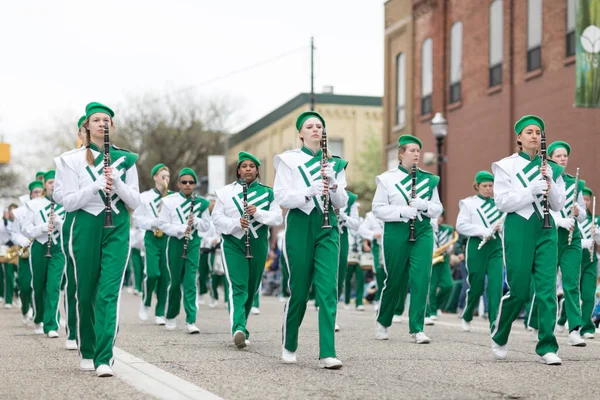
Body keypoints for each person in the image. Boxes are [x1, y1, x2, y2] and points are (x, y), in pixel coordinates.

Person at [56, 102, 140, 377]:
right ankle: (88, 348)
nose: (102, 123)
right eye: (97, 120)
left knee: (108, 292)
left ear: (111, 126)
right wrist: (95, 186)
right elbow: (67, 202)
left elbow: (135, 201)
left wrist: (117, 183)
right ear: (87, 127)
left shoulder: (126, 160)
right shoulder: (70, 160)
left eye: (107, 120)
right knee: (86, 292)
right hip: (85, 227)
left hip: (117, 226)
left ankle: (105, 357)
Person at [274, 111, 348, 369]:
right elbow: (281, 196)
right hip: (300, 225)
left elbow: (342, 203)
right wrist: (308, 192)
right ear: (301, 134)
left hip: (328, 226)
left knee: (328, 289)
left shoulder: (335, 163)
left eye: (319, 126)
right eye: (310, 126)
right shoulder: (288, 160)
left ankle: (327, 352)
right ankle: (289, 343)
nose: (316, 129)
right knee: (300, 290)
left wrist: (333, 183)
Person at [490, 115, 565, 365]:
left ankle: (547, 346)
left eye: (539, 132)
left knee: (546, 290)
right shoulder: (505, 166)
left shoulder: (551, 166)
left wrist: (550, 182)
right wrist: (529, 190)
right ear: (519, 137)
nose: (535, 136)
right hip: (519, 227)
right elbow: (501, 201)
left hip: (546, 229)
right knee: (519, 290)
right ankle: (500, 335)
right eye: (529, 132)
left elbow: (558, 204)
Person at [372, 134, 442, 343]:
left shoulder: (429, 179)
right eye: (412, 150)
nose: (416, 154)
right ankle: (383, 321)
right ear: (401, 154)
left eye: (418, 151)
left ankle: (417, 328)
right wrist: (402, 212)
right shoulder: (387, 178)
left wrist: (425, 206)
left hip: (422, 231)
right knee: (395, 280)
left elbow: (438, 208)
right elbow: (378, 209)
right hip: (396, 231)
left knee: (421, 279)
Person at [212, 151, 283, 348]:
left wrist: (258, 213)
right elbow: (216, 218)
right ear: (238, 170)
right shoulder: (225, 192)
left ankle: (243, 325)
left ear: (257, 170)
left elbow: (278, 218)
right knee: (238, 286)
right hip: (233, 243)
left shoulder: (269, 193)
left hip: (259, 244)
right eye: (244, 166)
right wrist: (237, 223)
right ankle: (238, 328)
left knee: (251, 289)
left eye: (252, 166)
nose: (248, 169)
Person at [527, 141, 587, 346]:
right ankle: (537, 324)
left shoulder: (576, 183)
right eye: (558, 155)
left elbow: (584, 216)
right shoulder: (543, 179)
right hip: (549, 236)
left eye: (565, 156)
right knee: (546, 284)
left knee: (571, 283)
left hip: (572, 238)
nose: (563, 159)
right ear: (550, 158)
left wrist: (578, 214)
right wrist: (560, 220)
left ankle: (574, 329)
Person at [158, 168, 211, 334]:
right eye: (184, 182)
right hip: (175, 243)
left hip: (194, 243)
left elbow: (207, 225)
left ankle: (191, 320)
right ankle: (171, 315)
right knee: (174, 283)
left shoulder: (202, 202)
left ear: (195, 184)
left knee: (190, 282)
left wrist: (195, 222)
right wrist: (182, 228)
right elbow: (163, 225)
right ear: (179, 184)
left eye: (191, 182)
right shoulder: (169, 201)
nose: (188, 185)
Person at [456, 171, 504, 332]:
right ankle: (468, 314)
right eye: (485, 186)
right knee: (476, 287)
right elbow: (461, 225)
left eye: (491, 186)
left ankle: (494, 323)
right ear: (477, 186)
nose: (488, 189)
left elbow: (506, 227)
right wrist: (482, 230)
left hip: (496, 247)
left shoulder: (500, 204)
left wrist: (501, 227)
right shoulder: (468, 204)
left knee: (496, 286)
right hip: (477, 247)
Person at [54, 115, 86, 351]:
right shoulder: (67, 160)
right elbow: (57, 194)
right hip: (74, 223)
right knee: (74, 282)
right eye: (85, 129)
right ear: (80, 134)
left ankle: (92, 333)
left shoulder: (109, 158)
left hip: (102, 225)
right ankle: (73, 331)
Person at [23, 172, 66, 338]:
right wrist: (42, 227)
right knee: (39, 286)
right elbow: (25, 229)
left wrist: (59, 222)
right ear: (45, 186)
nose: (53, 185)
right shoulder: (34, 204)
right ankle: (38, 317)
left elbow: (71, 229)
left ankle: (51, 325)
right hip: (40, 247)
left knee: (53, 286)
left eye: (57, 182)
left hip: (58, 248)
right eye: (50, 182)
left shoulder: (67, 203)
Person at [133, 163, 172, 325]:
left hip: (168, 238)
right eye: (163, 176)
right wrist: (153, 223)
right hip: (151, 237)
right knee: (153, 273)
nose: (165, 179)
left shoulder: (172, 197)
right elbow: (136, 218)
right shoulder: (145, 197)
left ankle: (160, 311)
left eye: (168, 176)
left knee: (165, 275)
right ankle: (146, 301)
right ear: (155, 177)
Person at [568, 187, 600, 339]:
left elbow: (598, 241)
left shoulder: (596, 219)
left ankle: (587, 326)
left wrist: (597, 235)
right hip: (575, 258)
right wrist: (583, 243)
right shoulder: (572, 217)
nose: (585, 203)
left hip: (591, 261)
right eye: (583, 199)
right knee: (574, 291)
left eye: (587, 200)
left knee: (588, 295)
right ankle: (563, 318)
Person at [426, 211, 455, 324]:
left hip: (443, 259)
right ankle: (432, 311)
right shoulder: (428, 228)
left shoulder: (447, 229)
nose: (439, 219)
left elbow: (451, 244)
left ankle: (438, 306)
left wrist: (447, 249)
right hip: (431, 259)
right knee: (432, 287)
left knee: (448, 285)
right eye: (436, 217)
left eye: (441, 216)